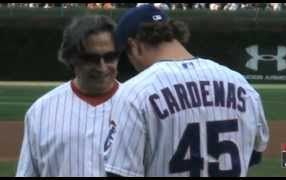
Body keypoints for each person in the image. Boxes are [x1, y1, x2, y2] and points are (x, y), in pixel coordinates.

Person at [103, 4, 269, 177]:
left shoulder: (134, 93)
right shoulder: (241, 85)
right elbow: (253, 155)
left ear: (133, 45)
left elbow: (118, 173)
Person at [16, 15, 121, 177]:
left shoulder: (138, 105)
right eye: (91, 59)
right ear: (72, 59)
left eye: (109, 57)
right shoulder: (41, 110)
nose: (102, 67)